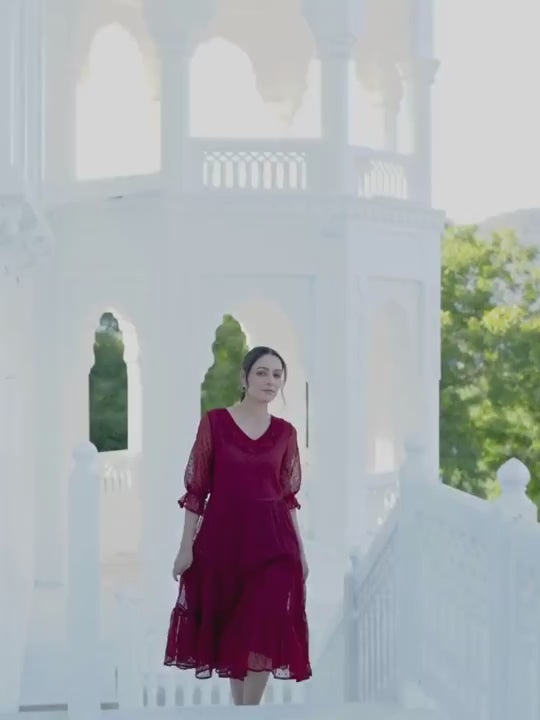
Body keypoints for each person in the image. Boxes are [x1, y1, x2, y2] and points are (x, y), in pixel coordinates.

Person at [164, 346, 311, 706]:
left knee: (262, 623)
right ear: (244, 378)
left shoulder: (286, 433)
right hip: (223, 540)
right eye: (262, 372)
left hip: (275, 544)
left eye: (277, 374)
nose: (270, 381)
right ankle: (240, 710)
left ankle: (249, 710)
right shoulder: (214, 423)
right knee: (234, 628)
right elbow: (197, 490)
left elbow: (287, 497)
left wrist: (301, 551)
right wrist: (185, 548)